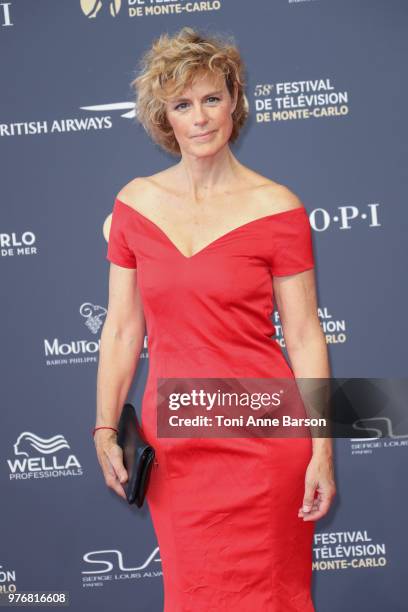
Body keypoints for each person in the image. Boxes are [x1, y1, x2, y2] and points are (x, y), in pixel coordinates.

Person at [94, 26, 336, 612]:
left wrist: (322, 449)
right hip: (177, 442)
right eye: (182, 105)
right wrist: (104, 427)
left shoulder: (277, 207)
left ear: (234, 102)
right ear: (164, 117)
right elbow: (123, 329)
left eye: (211, 99)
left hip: (265, 438)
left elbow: (304, 335)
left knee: (274, 595)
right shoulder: (135, 204)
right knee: (193, 594)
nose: (200, 118)